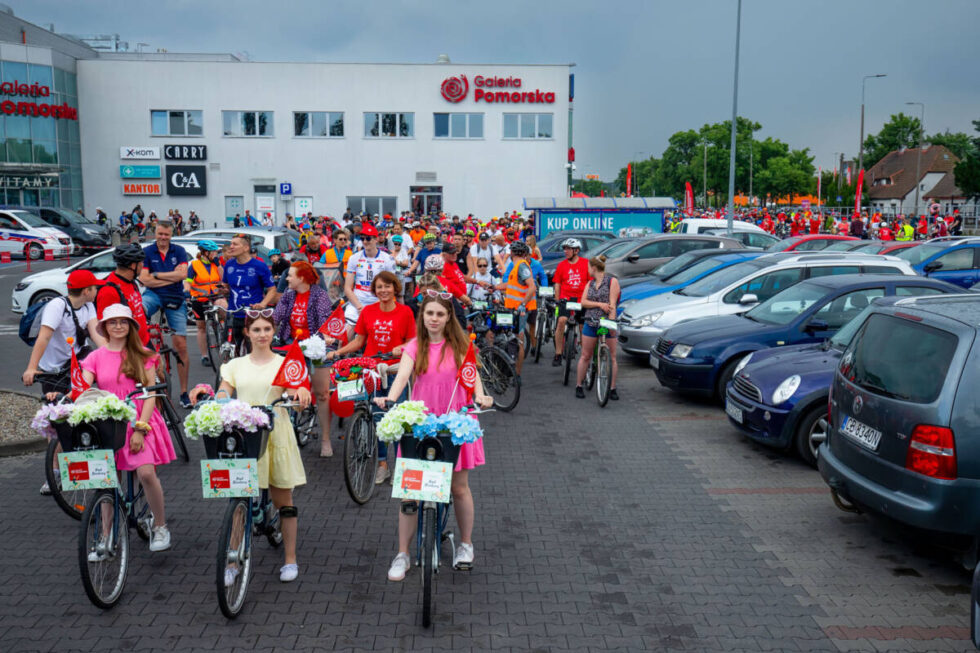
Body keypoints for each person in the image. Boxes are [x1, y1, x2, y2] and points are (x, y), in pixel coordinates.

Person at [375, 292, 494, 580]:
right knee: (410, 493)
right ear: (423, 316)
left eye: (440, 314)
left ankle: (466, 545)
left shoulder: (460, 345)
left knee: (459, 487)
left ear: (448, 317)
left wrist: (481, 396)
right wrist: (389, 399)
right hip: (421, 421)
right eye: (430, 313)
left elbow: (472, 377)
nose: (435, 319)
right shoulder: (415, 347)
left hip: (453, 422)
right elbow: (402, 377)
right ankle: (402, 553)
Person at [215, 312, 309, 582]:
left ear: (274, 331)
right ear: (247, 332)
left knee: (283, 500)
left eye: (267, 328)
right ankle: (232, 560)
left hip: (276, 435)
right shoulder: (235, 364)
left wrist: (299, 392)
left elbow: (294, 387)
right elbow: (224, 389)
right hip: (246, 435)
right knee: (240, 497)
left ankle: (290, 559)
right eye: (256, 329)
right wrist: (218, 398)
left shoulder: (283, 363)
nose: (262, 334)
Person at [81, 303, 176, 552]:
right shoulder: (95, 357)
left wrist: (140, 430)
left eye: (123, 322)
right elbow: (83, 388)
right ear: (105, 328)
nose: (118, 326)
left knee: (145, 473)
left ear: (131, 326)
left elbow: (149, 396)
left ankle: (161, 526)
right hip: (108, 424)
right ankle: (106, 536)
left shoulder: (143, 354)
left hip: (138, 419)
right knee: (107, 481)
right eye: (112, 322)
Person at [328, 271, 415, 483]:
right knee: (378, 419)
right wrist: (338, 353)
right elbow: (359, 341)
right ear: (374, 290)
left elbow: (413, 343)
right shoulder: (367, 311)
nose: (383, 291)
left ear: (395, 288)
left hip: (395, 372)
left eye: (387, 286)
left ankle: (403, 467)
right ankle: (382, 465)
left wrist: (401, 347)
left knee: (397, 418)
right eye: (379, 287)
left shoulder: (405, 312)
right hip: (371, 371)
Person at [271, 261, 335, 457]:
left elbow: (326, 321)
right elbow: (276, 317)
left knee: (322, 393)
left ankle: (325, 439)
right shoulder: (289, 296)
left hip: (315, 345)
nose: (286, 279)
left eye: (290, 275)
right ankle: (286, 434)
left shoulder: (320, 296)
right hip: (291, 345)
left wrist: (326, 337)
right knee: (286, 393)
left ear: (302, 278)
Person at [139, 221, 192, 407]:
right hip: (152, 295)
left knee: (181, 346)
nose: (163, 238)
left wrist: (155, 276)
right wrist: (170, 276)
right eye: (160, 234)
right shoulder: (147, 252)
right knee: (137, 314)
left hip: (175, 297)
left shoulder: (179, 251)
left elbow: (183, 275)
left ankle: (184, 392)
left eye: (166, 235)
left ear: (172, 234)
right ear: (155, 233)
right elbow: (143, 279)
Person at [575, 255, 620, 400]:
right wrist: (599, 304)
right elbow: (583, 302)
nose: (588, 270)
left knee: (612, 356)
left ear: (593, 268)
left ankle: (612, 388)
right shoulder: (590, 283)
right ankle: (579, 385)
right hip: (591, 321)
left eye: (589, 268)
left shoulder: (612, 282)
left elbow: (612, 304)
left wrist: (612, 323)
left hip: (605, 322)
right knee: (585, 355)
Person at [222, 233, 276, 352]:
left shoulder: (259, 266)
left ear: (246, 248)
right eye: (231, 244)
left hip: (253, 315)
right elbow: (226, 285)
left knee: (255, 350)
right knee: (228, 350)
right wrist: (222, 290)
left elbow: (272, 289)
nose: (231, 247)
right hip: (233, 314)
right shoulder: (229, 265)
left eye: (235, 244)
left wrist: (263, 303)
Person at [343, 222, 396, 333]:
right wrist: (359, 307)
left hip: (379, 302)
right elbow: (347, 288)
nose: (365, 242)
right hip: (358, 302)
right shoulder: (354, 258)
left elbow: (392, 288)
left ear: (376, 239)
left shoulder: (387, 259)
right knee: (345, 334)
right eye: (362, 239)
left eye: (368, 238)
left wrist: (377, 306)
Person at [97, 243, 151, 345]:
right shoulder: (109, 291)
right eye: (141, 262)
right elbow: (105, 330)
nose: (143, 265)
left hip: (144, 343)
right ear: (133, 265)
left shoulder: (131, 281)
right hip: (130, 351)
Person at [497, 240, 536, 378]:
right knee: (512, 338)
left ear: (512, 252)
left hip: (519, 310)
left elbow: (532, 286)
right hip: (512, 308)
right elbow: (512, 284)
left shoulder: (521, 266)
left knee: (519, 339)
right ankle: (512, 371)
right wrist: (495, 287)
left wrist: (523, 304)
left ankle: (517, 374)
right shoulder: (516, 265)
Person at [185, 240, 226, 368]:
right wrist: (186, 292)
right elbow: (188, 281)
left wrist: (218, 264)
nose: (215, 254)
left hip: (215, 297)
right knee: (201, 327)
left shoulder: (216, 264)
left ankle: (226, 343)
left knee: (225, 312)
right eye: (213, 252)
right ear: (205, 252)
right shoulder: (194, 265)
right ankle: (204, 356)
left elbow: (224, 279)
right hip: (200, 299)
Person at [552, 238, 589, 367]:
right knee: (561, 321)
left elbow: (590, 283)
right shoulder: (561, 265)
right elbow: (557, 284)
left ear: (576, 250)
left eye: (568, 249)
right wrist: (557, 300)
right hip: (565, 299)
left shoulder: (586, 263)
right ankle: (558, 353)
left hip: (581, 300)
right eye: (565, 249)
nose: (565, 251)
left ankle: (585, 356)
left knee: (583, 327)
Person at [390, 235, 413, 300]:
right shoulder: (389, 251)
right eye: (395, 244)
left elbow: (406, 263)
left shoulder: (403, 251)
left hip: (399, 274)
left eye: (399, 244)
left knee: (400, 295)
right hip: (390, 275)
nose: (397, 245)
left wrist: (398, 262)